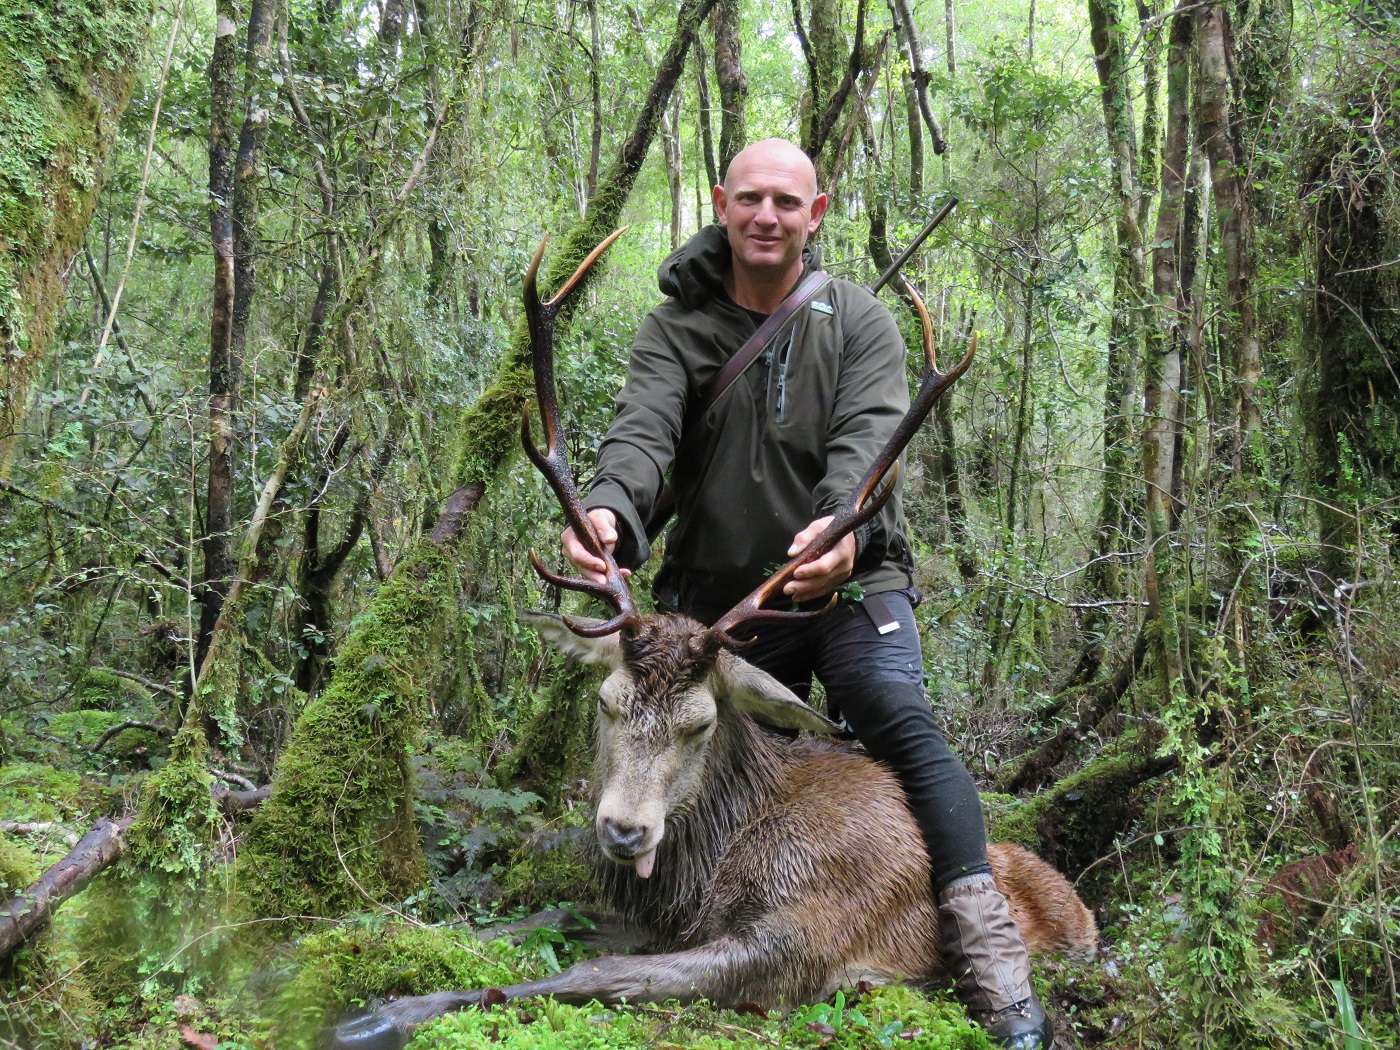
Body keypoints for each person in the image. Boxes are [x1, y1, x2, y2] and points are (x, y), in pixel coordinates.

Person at [561, 137, 1052, 1049]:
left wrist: (842, 532)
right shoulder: (676, 328)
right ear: (721, 203)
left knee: (894, 715)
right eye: (750, 199)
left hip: (852, 585)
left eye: (787, 203)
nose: (766, 217)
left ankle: (993, 965)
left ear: (814, 214)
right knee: (699, 744)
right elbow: (640, 438)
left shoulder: (858, 321)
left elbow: (868, 448)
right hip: (725, 616)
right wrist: (605, 514)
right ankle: (690, 919)